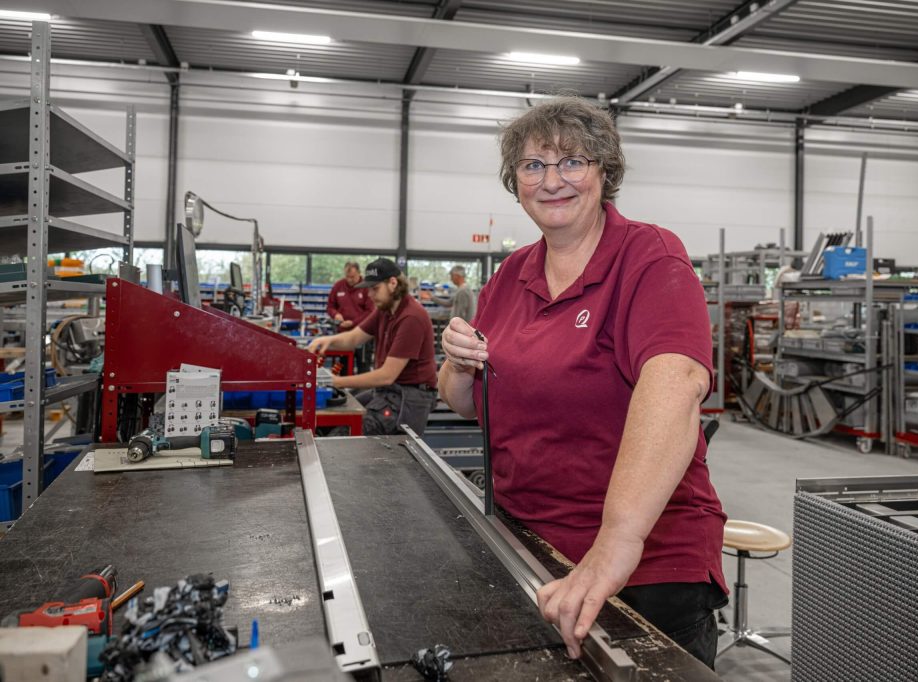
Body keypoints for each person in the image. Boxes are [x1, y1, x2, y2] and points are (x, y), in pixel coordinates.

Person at [437, 97, 727, 669]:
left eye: (572, 162)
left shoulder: (649, 257)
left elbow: (676, 382)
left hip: (644, 565)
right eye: (533, 166)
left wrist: (613, 547)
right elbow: (464, 404)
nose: (553, 181)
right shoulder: (510, 275)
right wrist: (456, 360)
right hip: (526, 545)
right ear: (514, 181)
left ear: (604, 172)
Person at [309, 258, 437, 435]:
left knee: (342, 432)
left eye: (375, 289)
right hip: (388, 391)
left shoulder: (411, 318)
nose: (370, 294)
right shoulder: (384, 310)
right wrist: (328, 340)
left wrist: (335, 381)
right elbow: (354, 338)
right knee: (337, 412)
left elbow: (386, 376)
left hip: (408, 397)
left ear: (393, 283)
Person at [326, 261, 373, 329]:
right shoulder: (338, 286)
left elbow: (370, 311)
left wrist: (354, 322)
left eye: (352, 277)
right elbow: (330, 307)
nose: (349, 280)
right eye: (347, 276)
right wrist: (335, 314)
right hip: (341, 330)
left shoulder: (366, 288)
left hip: (361, 330)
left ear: (359, 273)